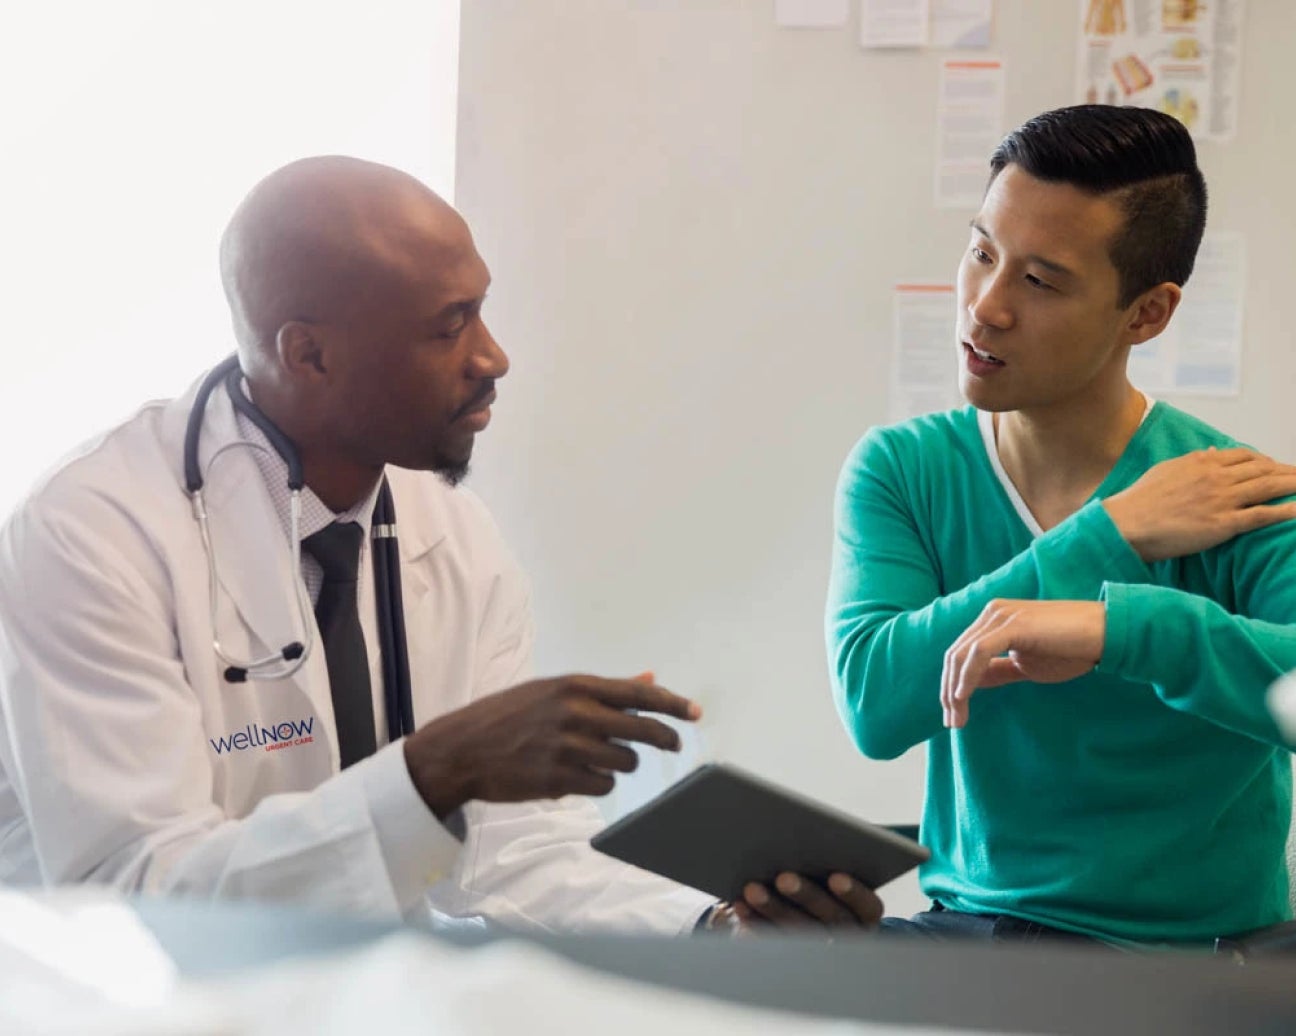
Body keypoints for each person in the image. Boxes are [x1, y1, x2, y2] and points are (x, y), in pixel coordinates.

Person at [0, 156, 880, 933]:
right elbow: (132, 900)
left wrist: (711, 930)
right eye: (447, 326)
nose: (493, 357)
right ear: (308, 355)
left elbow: (509, 859)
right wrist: (434, 772)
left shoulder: (452, 533)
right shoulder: (95, 534)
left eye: (482, 311)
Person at [827, 105, 1296, 947]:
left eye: (1040, 282)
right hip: (971, 932)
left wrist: (1123, 629)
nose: (986, 307)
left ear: (1146, 314)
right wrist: (1106, 539)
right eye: (981, 253)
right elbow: (874, 704)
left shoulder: (1236, 495)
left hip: (1195, 960)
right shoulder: (901, 468)